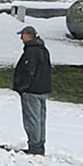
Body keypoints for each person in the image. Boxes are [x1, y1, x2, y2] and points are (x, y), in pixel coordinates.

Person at [11, 24, 52, 155]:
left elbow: (29, 71)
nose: (21, 38)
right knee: (40, 119)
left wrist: (22, 86)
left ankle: (34, 146)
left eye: (22, 35)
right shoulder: (43, 50)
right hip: (42, 89)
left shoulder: (31, 52)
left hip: (32, 90)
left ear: (28, 36)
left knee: (32, 119)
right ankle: (39, 144)